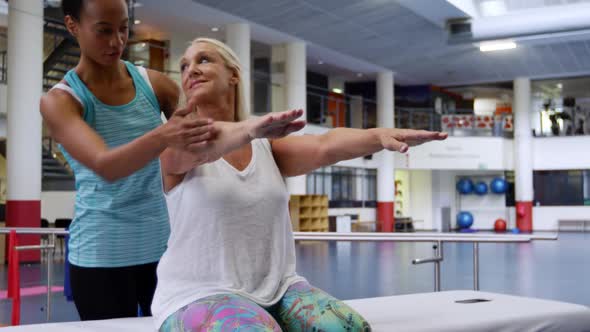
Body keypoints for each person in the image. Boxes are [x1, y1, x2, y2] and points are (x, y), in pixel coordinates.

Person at [152, 38, 448, 331]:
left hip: (277, 290)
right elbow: (202, 148)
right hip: (196, 294)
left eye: (204, 59)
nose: (191, 69)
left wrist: (379, 136)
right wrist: (250, 128)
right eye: (184, 65)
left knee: (347, 328)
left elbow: (324, 145)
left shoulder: (266, 147)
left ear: (233, 75)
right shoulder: (176, 142)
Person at [40, 0, 304, 321]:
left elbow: (202, 137)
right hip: (101, 256)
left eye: (123, 29)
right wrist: (166, 136)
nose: (117, 42)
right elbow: (106, 165)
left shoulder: (154, 84)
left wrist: (244, 128)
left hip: (168, 253)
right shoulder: (61, 100)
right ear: (72, 26)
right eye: (104, 31)